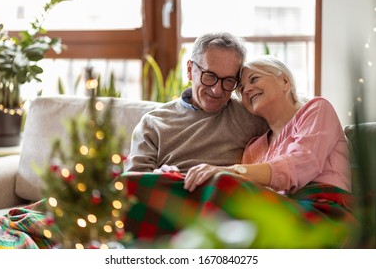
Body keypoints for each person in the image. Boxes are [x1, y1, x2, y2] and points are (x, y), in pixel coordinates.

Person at [184, 55, 352, 195]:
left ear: (285, 81)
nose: (247, 90)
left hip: (325, 209)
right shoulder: (253, 149)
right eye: (241, 89)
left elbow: (298, 166)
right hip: (278, 217)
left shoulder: (317, 109)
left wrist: (231, 171)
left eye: (254, 79)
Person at [124, 32, 268, 173]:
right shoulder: (153, 123)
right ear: (189, 70)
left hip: (226, 193)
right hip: (172, 192)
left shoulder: (251, 116)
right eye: (210, 76)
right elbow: (134, 184)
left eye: (229, 80)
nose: (216, 90)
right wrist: (158, 177)